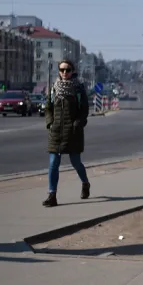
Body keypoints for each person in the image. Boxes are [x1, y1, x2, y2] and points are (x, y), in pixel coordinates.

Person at [43, 59, 91, 207]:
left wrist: (78, 122)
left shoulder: (78, 88)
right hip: (56, 131)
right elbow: (48, 108)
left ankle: (85, 183)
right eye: (62, 70)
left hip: (73, 131)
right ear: (59, 71)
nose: (65, 73)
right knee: (53, 164)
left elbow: (84, 110)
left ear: (72, 71)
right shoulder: (53, 88)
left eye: (68, 70)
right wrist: (50, 123)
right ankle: (52, 195)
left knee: (76, 162)